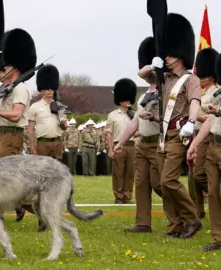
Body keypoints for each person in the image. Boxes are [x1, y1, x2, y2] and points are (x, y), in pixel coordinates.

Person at [138, 13, 202, 238]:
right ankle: (174, 225)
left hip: (178, 133)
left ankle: (192, 219)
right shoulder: (165, 78)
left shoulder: (191, 80)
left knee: (168, 179)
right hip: (164, 134)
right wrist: (151, 65)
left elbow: (195, 102)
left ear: (180, 56)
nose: (166, 58)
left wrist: (192, 122)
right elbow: (142, 74)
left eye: (169, 55)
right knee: (162, 184)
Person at [0, 28, 37, 224]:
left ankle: (2, 216)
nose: (0, 72)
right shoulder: (6, 90)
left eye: (3, 70)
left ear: (14, 69)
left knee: (1, 180)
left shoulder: (20, 89)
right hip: (1, 135)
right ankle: (23, 208)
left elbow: (16, 115)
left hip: (12, 135)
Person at [113, 36, 162, 232]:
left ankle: (183, 216)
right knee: (141, 184)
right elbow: (135, 123)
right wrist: (120, 142)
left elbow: (166, 119)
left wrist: (154, 118)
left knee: (160, 184)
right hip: (142, 144)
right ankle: (143, 223)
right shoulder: (143, 96)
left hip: (158, 143)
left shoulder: (165, 93)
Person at [187, 52, 221, 251]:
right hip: (213, 145)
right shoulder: (218, 94)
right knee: (214, 194)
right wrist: (195, 144)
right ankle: (218, 239)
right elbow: (210, 121)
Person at [27, 63, 67, 232]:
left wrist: (63, 121)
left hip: (57, 143)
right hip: (42, 144)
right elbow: (30, 130)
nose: (49, 91)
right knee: (41, 182)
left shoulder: (60, 107)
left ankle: (55, 215)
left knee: (57, 181)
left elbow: (64, 127)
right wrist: (33, 148)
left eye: (51, 88)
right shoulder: (34, 107)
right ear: (41, 89)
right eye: (46, 88)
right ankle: (42, 219)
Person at [107, 78, 137, 203]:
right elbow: (109, 134)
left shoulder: (134, 115)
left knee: (130, 173)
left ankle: (127, 196)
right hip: (118, 145)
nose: (128, 100)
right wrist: (110, 149)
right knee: (118, 173)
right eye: (125, 98)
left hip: (132, 146)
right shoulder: (112, 115)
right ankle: (118, 196)